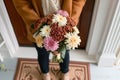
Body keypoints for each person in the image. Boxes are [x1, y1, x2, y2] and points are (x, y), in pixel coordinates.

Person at [12, 0, 86, 80]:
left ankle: (64, 71)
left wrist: (70, 21)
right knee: (42, 54)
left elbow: (78, 1)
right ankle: (45, 72)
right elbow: (21, 4)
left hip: (66, 28)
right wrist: (38, 26)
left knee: (64, 53)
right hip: (39, 29)